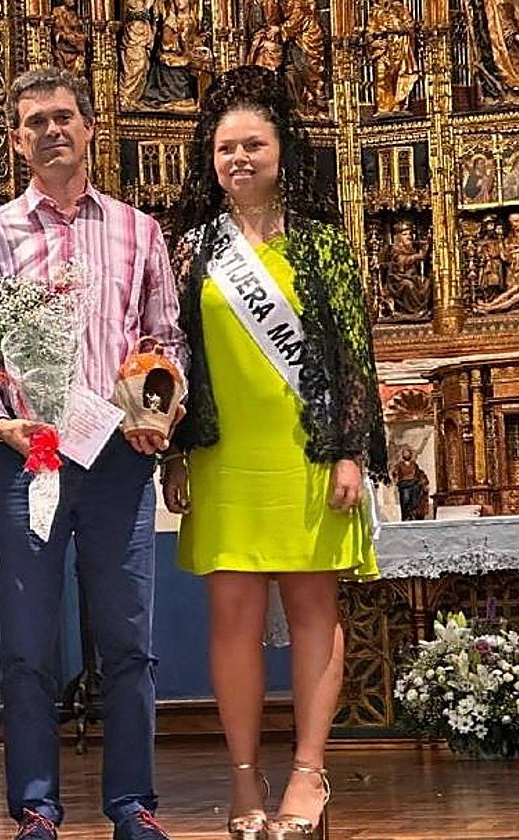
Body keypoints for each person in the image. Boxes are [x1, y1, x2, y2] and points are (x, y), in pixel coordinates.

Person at [0, 66, 187, 840]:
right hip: (29, 458)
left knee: (128, 641)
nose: (53, 130)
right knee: (25, 644)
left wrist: (156, 411)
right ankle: (37, 808)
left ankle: (131, 805)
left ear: (89, 127)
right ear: (17, 139)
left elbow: (166, 339)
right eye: (36, 122)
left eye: (65, 117)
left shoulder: (136, 230)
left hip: (117, 458)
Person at [162, 66, 385, 840]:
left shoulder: (324, 247)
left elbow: (352, 359)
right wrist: (175, 451)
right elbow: (175, 357)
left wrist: (351, 453)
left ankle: (309, 771)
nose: (239, 158)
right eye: (226, 147)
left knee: (315, 611)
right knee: (231, 617)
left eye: (254, 143)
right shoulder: (191, 250)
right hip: (226, 456)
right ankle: (243, 776)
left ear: (283, 149)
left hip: (310, 455)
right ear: (210, 157)